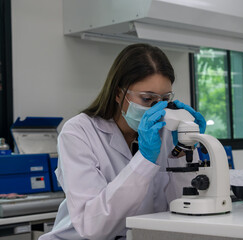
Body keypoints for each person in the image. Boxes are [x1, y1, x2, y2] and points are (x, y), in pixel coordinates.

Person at [39, 43, 206, 240]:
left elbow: (185, 206)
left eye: (165, 100)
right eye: (147, 99)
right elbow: (93, 226)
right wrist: (144, 161)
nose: (158, 110)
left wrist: (185, 147)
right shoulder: (79, 132)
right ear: (119, 94)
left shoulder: (167, 131)